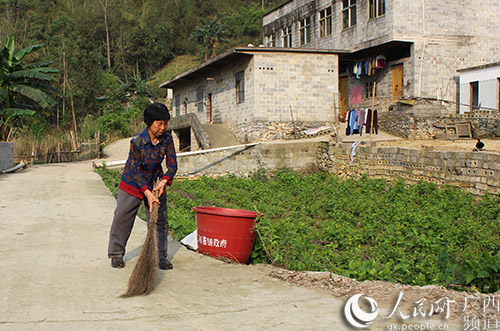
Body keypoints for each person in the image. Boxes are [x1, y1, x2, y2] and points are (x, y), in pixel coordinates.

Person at [108, 102, 177, 270]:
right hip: (133, 182)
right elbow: (136, 171)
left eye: (165, 123)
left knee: (159, 220)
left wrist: (163, 182)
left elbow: (172, 164)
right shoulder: (137, 142)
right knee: (122, 217)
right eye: (159, 123)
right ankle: (116, 254)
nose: (163, 127)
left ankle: (160, 257)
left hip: (155, 182)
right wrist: (147, 193)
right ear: (149, 122)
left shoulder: (167, 139)